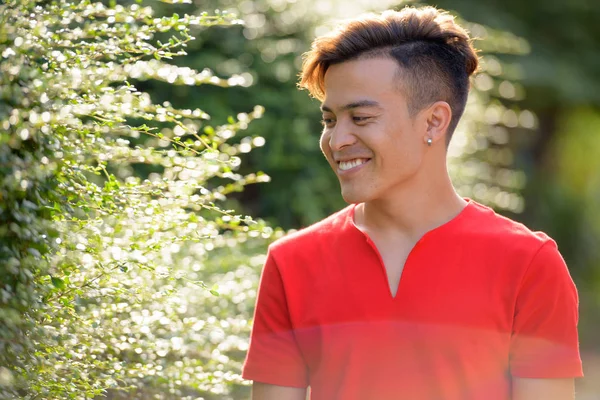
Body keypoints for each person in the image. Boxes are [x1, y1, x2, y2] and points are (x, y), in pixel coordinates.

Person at [241, 6, 583, 400]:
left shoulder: (528, 264)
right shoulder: (291, 263)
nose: (336, 142)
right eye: (330, 120)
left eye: (362, 117)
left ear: (434, 122)